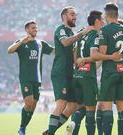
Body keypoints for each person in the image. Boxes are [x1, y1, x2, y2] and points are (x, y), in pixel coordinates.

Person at [43, 6, 92, 135]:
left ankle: (50, 131)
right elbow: (65, 43)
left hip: (70, 73)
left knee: (73, 106)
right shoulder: (61, 30)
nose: (75, 17)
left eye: (75, 15)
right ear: (64, 16)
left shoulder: (71, 33)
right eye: (72, 14)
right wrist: (81, 34)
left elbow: (74, 53)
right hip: (60, 72)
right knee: (62, 104)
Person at [92, 3, 123, 135]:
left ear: (106, 15)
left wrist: (109, 56)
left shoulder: (105, 31)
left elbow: (101, 54)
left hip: (110, 72)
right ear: (117, 15)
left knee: (106, 107)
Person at [7, 20, 54, 135]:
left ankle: (22, 128)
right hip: (25, 78)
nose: (35, 30)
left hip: (37, 80)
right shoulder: (21, 43)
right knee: (28, 103)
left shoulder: (40, 43)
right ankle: (22, 128)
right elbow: (9, 50)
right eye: (33, 28)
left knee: (33, 106)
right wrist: (21, 41)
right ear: (27, 30)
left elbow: (54, 51)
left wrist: (67, 51)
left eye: (36, 28)